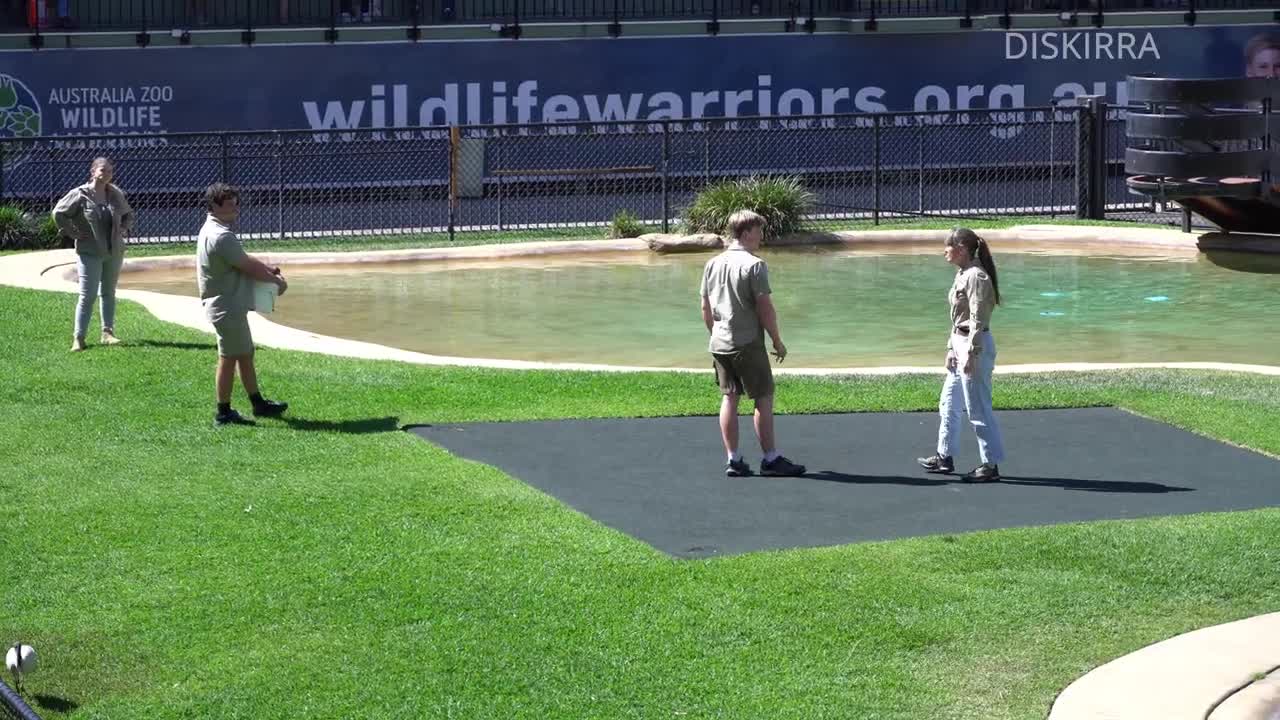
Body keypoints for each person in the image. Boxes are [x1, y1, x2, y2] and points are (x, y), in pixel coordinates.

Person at [699, 209, 806, 478]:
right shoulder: (754, 265)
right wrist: (777, 340)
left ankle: (733, 459)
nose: (761, 236)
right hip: (747, 343)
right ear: (746, 232)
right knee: (763, 397)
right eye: (758, 231)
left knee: (730, 397)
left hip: (720, 343)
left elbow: (705, 306)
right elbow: (765, 307)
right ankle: (771, 459)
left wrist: (715, 333)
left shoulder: (712, 264)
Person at [196, 182, 290, 427]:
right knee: (228, 357)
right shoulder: (221, 235)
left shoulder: (214, 229)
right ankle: (223, 413)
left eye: (236, 204)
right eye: (229, 205)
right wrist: (276, 282)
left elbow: (243, 259)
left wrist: (267, 268)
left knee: (245, 354)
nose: (235, 209)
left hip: (229, 305)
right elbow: (246, 266)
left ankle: (258, 403)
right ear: (214, 206)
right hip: (225, 306)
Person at [918, 228, 1006, 482]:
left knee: (977, 409)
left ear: (962, 249)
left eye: (948, 246)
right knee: (949, 403)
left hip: (972, 345)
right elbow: (958, 317)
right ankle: (944, 457)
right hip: (960, 343)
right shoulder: (963, 274)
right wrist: (950, 348)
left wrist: (973, 352)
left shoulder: (977, 277)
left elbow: (979, 317)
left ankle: (990, 465)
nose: (944, 251)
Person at [52, 157, 134, 352]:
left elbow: (129, 214)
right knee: (87, 295)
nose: (106, 174)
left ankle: (108, 333)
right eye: (103, 170)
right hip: (89, 251)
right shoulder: (80, 194)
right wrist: (71, 232)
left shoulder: (115, 194)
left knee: (108, 292)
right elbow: (58, 213)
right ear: (93, 171)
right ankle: (79, 338)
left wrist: (123, 229)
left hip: (114, 250)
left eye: (110, 171)